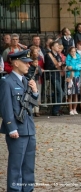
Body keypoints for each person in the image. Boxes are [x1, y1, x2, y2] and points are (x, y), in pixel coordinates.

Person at [0, 50, 38, 192]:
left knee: (29, 165)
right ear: (16, 63)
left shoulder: (26, 81)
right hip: (17, 129)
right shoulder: (7, 82)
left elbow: (33, 104)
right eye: (25, 62)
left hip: (29, 128)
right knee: (16, 166)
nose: (28, 65)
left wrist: (35, 92)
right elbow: (5, 107)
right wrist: (11, 128)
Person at [44, 41, 65, 116]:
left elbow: (60, 63)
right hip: (52, 76)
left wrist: (62, 64)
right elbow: (47, 67)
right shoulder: (48, 55)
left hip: (58, 75)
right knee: (61, 92)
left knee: (57, 93)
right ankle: (55, 110)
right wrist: (55, 66)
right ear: (52, 47)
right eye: (56, 46)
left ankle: (55, 109)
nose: (58, 47)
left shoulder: (58, 55)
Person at [65, 47, 81, 115]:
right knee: (70, 94)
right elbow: (69, 66)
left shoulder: (78, 57)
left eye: (74, 51)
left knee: (76, 93)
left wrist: (73, 68)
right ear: (69, 52)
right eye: (72, 51)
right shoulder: (68, 57)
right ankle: (70, 109)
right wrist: (73, 59)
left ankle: (74, 109)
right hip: (70, 77)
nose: (73, 53)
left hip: (77, 77)